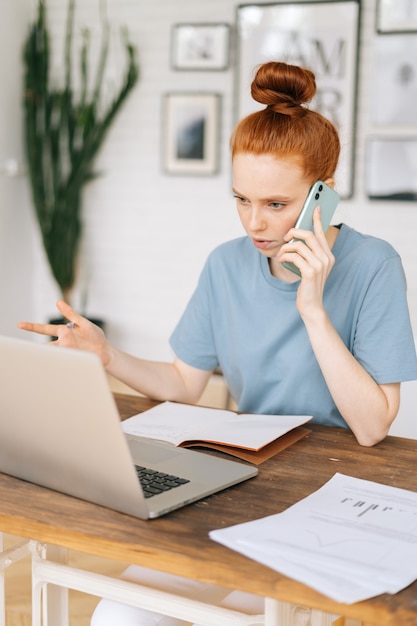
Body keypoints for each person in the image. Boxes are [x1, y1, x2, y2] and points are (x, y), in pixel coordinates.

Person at [18, 61, 417, 625]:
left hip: (329, 499)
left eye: (276, 205)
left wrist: (312, 308)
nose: (254, 224)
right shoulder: (225, 264)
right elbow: (184, 383)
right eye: (241, 199)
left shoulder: (375, 264)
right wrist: (107, 356)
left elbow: (374, 427)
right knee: (120, 614)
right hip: (246, 481)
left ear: (321, 196)